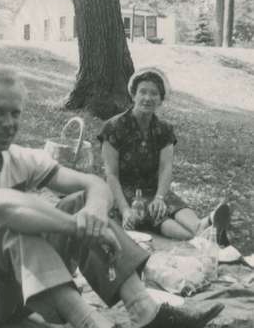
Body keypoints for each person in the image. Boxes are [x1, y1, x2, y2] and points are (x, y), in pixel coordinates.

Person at [0, 65, 223, 328]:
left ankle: (144, 312)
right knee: (12, 223)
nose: (9, 123)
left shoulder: (20, 157)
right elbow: (1, 207)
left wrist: (92, 213)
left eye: (15, 113)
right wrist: (76, 226)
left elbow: (94, 184)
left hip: (16, 292)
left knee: (79, 202)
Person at [98, 67, 230, 245]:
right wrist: (124, 209)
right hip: (124, 190)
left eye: (154, 94)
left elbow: (165, 168)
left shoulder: (165, 129)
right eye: (142, 92)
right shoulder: (113, 127)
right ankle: (199, 236)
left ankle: (200, 225)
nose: (147, 98)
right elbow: (111, 174)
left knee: (169, 204)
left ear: (160, 99)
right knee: (150, 212)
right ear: (133, 95)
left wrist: (160, 197)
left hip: (154, 187)